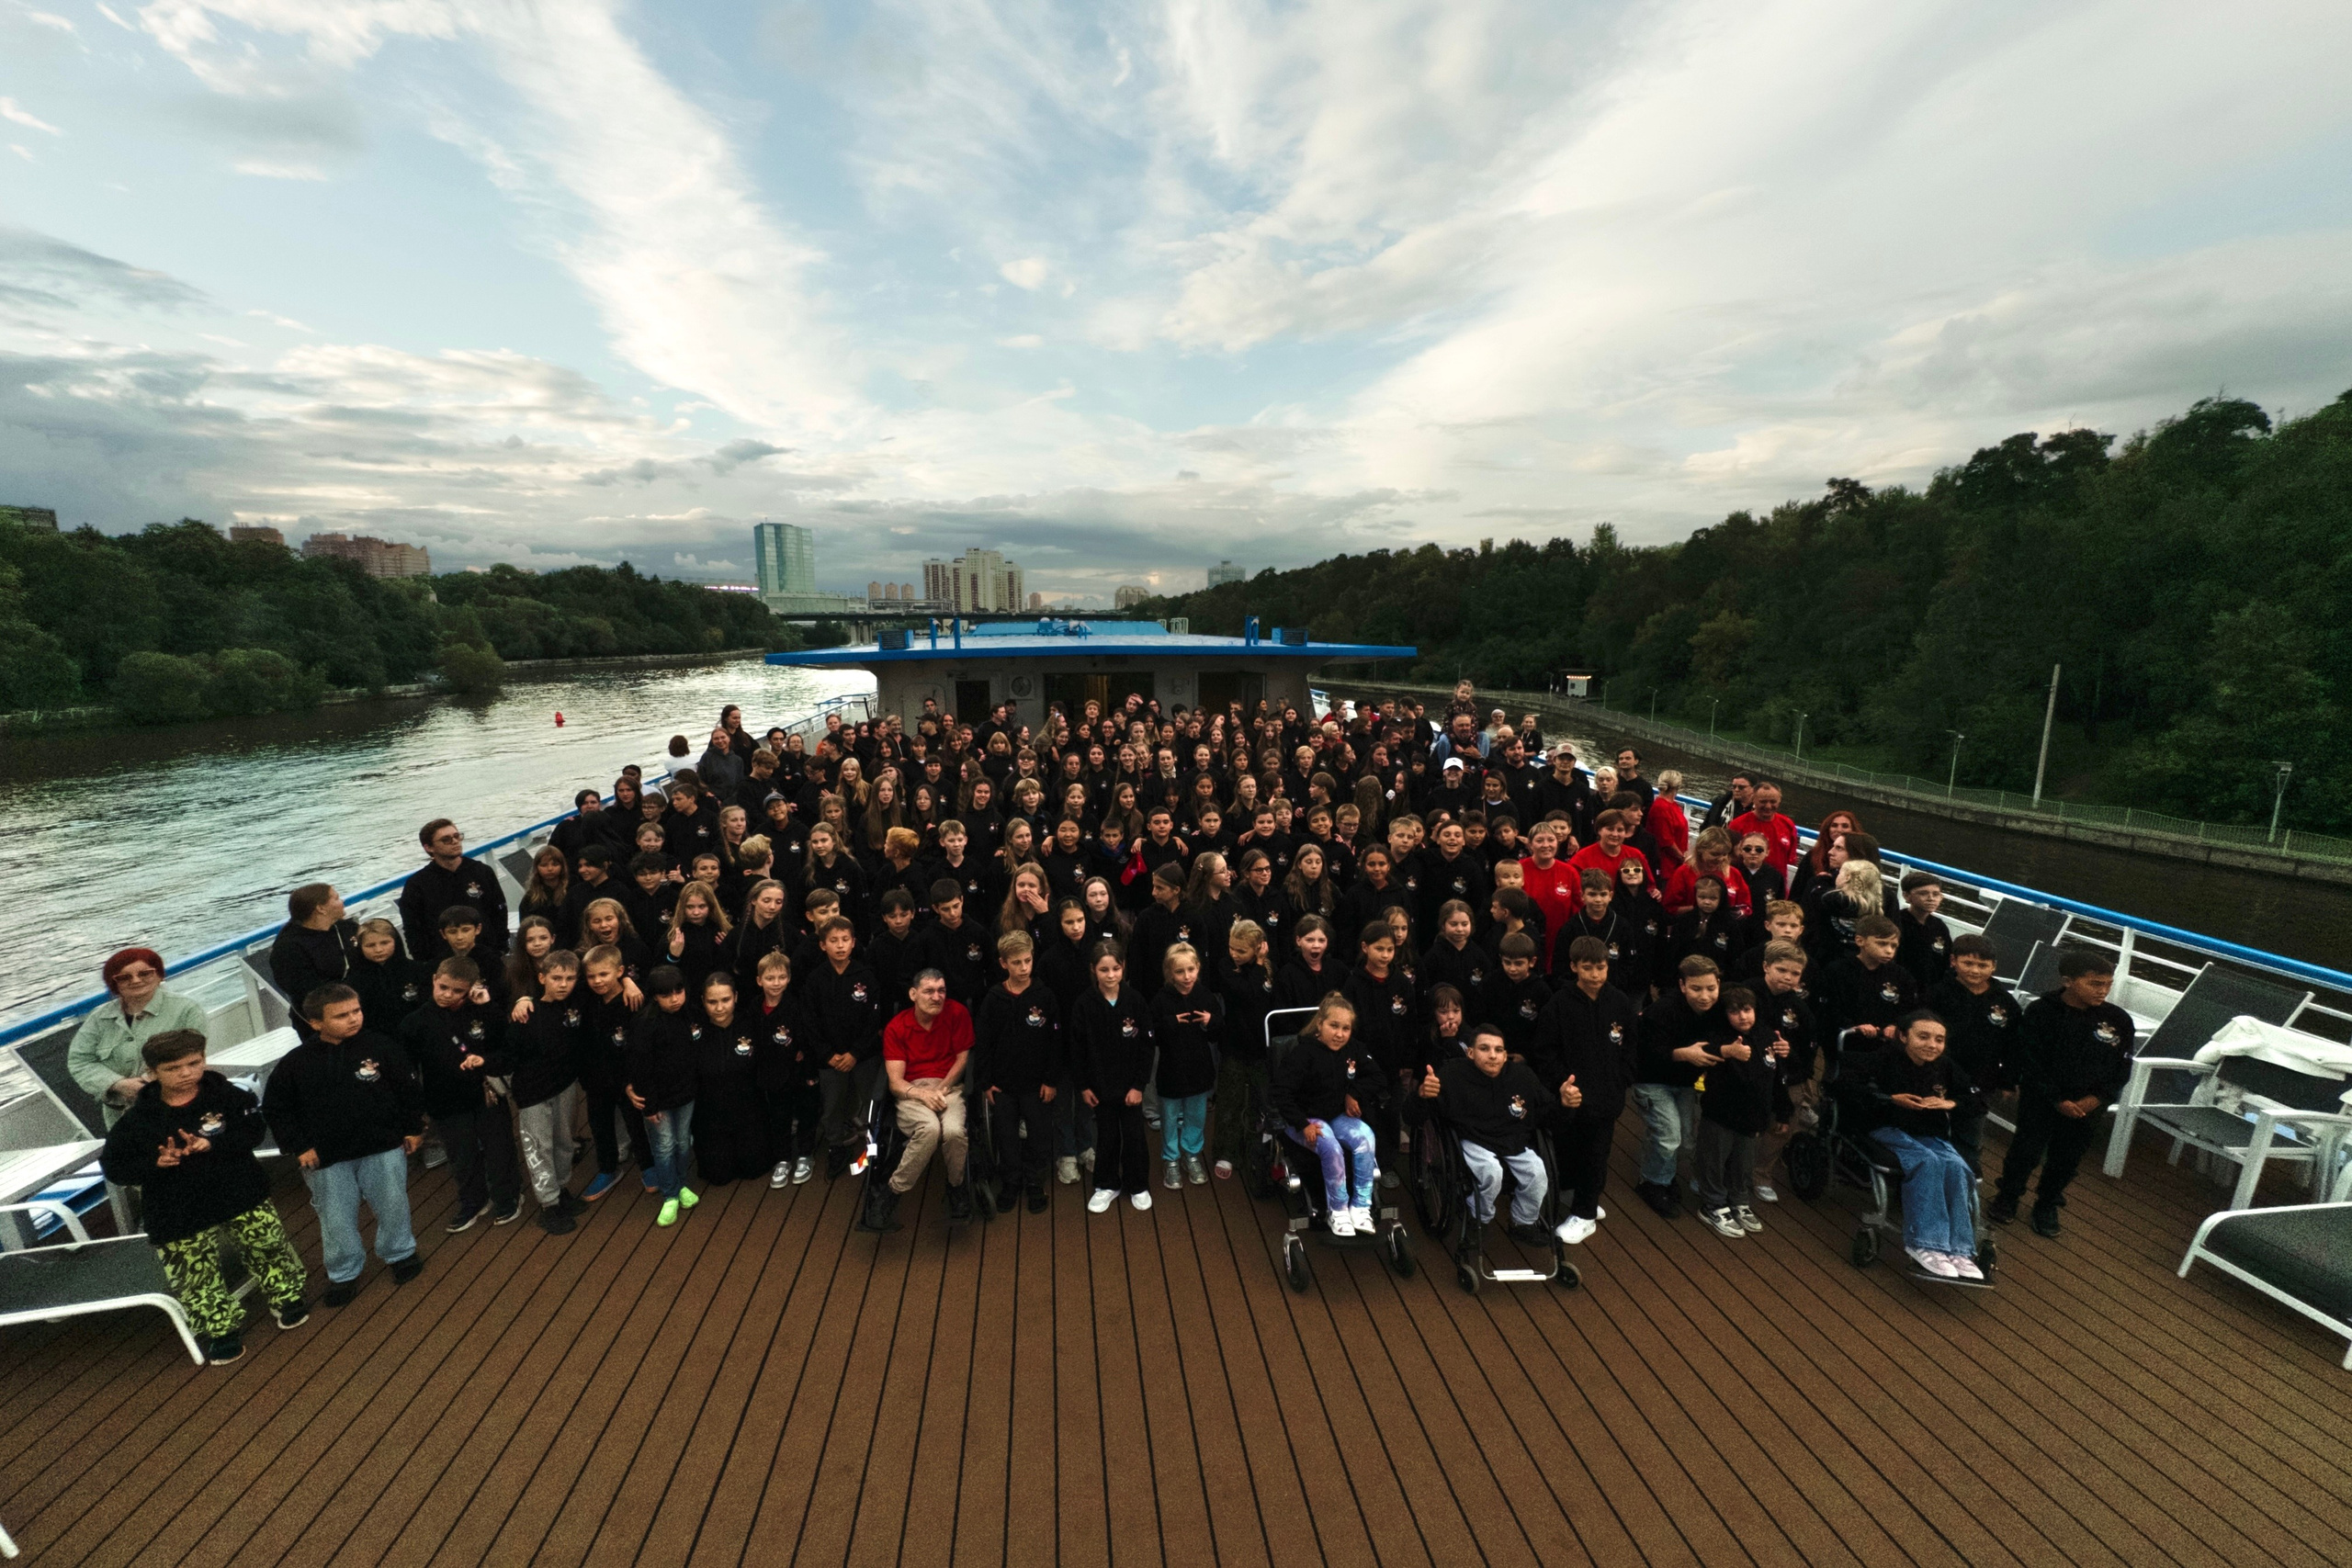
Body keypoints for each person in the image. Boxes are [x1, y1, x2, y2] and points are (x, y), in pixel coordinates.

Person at [100, 1030, 311, 1365]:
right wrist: (155, 1163)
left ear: (204, 1060)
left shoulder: (228, 1097)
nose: (186, 1073)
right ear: (152, 1073)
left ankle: (286, 1295)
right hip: (177, 1207)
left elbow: (254, 1132)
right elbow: (114, 1167)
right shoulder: (137, 1121)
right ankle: (220, 1326)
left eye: (194, 1063)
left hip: (239, 1191)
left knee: (268, 1244)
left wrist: (214, 1143)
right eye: (173, 1068)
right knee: (194, 1272)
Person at [263, 984, 425, 1306]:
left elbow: (407, 1089)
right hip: (326, 1156)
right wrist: (299, 1146)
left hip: (382, 1145)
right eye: (341, 1015)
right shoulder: (295, 1064)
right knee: (335, 1216)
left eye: (356, 1011)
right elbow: (277, 1109)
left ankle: (400, 1252)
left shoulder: (381, 1047)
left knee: (392, 1202)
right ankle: (343, 1271)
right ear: (315, 1023)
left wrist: (413, 1128)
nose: (353, 1019)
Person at [1991, 948, 2134, 1237]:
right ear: (2068, 981)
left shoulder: (2117, 1019)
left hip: (2088, 1105)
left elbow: (2121, 1067)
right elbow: (2029, 1060)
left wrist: (2097, 1098)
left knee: (2068, 1157)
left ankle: (2047, 1203)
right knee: (2026, 1150)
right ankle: (2008, 1195)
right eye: (2095, 984)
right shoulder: (2042, 1012)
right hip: (2043, 1098)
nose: (2103, 991)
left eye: (2108, 984)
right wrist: (2057, 1099)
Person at [68, 946, 209, 1231]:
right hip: (123, 1115)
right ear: (114, 983)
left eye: (145, 973)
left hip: (172, 1108)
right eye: (124, 977)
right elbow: (79, 1060)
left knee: (186, 1168)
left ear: (158, 975)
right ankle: (166, 1227)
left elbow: (192, 1055)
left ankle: (199, 1222)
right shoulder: (100, 1017)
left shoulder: (184, 1009)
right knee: (146, 1175)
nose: (136, 980)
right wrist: (117, 1084)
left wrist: (146, 1086)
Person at [1847, 1011, 1985, 1280]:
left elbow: (1978, 1100)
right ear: (1903, 1035)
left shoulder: (1945, 1066)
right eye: (1923, 1036)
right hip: (1886, 1128)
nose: (1932, 1045)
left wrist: (1951, 1103)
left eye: (1939, 1039)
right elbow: (1844, 1087)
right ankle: (1925, 1244)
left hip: (1928, 1133)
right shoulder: (1882, 1059)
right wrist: (1889, 1098)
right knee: (1928, 1162)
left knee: (1958, 1166)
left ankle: (1959, 1250)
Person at [1528, 936, 1639, 1243]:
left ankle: (1586, 1213)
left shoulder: (1619, 1002)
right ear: (1574, 967)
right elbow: (1544, 1051)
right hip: (1572, 1097)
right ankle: (1582, 1196)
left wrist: (1622, 1078)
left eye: (1601, 968)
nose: (1595, 975)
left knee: (1597, 1153)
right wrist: (1562, 1083)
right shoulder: (1559, 1005)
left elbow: (1631, 1044)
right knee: (1570, 1150)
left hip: (1607, 1096)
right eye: (1587, 968)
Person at [399, 956, 523, 1232]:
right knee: (461, 1155)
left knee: (499, 1148)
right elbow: (408, 1069)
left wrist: (488, 1008)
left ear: (471, 989)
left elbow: (506, 1047)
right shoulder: (414, 1023)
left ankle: (508, 1196)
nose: (448, 995)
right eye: (443, 987)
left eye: (457, 991)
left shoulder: (483, 1012)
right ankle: (474, 1201)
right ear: (434, 979)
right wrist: (417, 1110)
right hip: (444, 1099)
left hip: (485, 1093)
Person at [1417, 1023, 1552, 1249]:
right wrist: (1422, 1095)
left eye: (1499, 1050)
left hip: (1512, 1140)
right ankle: (1479, 1217)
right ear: (1470, 1052)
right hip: (1473, 1138)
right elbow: (1416, 1116)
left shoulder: (1522, 1076)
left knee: (1538, 1173)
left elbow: (1548, 1113)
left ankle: (1523, 1222)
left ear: (1505, 1054)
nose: (1493, 1055)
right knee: (1491, 1173)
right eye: (1484, 1049)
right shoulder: (1452, 1075)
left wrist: (1566, 1105)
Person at [1270, 995, 1386, 1235]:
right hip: (1304, 1117)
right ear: (1320, 1024)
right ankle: (1337, 1209)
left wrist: (1353, 1093)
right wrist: (1302, 1124)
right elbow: (1280, 1093)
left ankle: (1361, 1207)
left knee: (1366, 1137)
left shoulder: (1353, 1049)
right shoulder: (1303, 1054)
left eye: (1346, 1028)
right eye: (1334, 1026)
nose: (1340, 1034)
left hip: (1334, 1114)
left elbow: (1377, 1077)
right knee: (1331, 1148)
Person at [872, 968, 977, 1229]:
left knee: (953, 1131)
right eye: (929, 991)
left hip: (949, 1087)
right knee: (929, 1130)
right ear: (913, 994)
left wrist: (941, 1088)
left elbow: (963, 1059)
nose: (937, 997)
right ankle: (892, 1192)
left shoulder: (957, 1014)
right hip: (912, 1091)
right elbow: (895, 1083)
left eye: (941, 990)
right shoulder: (897, 1027)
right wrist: (923, 1094)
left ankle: (956, 1186)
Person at [974, 932, 1062, 1213]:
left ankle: (1035, 1181)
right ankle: (1011, 1181)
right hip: (1003, 1085)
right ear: (1003, 963)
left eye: (1028, 960)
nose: (1024, 967)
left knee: (1038, 1134)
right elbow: (984, 1042)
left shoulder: (1045, 996)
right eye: (1017, 962)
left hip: (1037, 1084)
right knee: (1006, 1135)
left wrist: (1050, 1079)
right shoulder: (994, 998)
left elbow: (1054, 1042)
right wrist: (986, 1082)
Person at [504, 949, 590, 1235]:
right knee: (539, 1147)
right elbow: (509, 1056)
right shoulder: (527, 1014)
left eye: (569, 978)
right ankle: (548, 1204)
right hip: (533, 1093)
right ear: (542, 978)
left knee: (565, 1142)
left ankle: (561, 1188)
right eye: (556, 978)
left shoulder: (575, 1004)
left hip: (565, 1087)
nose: (563, 984)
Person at [1633, 955, 1724, 1217]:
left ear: (1718, 984)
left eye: (1711, 988)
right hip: (1652, 1080)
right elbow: (1647, 1051)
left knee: (1683, 1141)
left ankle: (1664, 1173)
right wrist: (1684, 1054)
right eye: (1696, 989)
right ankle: (1652, 1183)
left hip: (1684, 1083)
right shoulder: (1661, 1011)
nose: (1705, 996)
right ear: (1683, 985)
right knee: (1668, 1135)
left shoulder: (1717, 1010)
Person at [1924, 933, 2022, 1172]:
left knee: (1969, 1133)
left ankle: (1963, 1180)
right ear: (1953, 961)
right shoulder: (1936, 994)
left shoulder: (2006, 1004)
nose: (1975, 971)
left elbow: (2015, 1046)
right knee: (1928, 1129)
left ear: (1994, 966)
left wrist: (2009, 1081)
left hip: (1981, 1079)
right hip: (1936, 1074)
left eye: (1983, 965)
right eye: (1968, 963)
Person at [1070, 942, 1155, 1213]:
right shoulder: (1084, 1005)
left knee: (1134, 1136)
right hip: (1100, 1087)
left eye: (1116, 968)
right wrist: (1083, 1086)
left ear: (1123, 968)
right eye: (1103, 969)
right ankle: (1107, 1184)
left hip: (1131, 1088)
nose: (1110, 975)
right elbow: (1077, 1049)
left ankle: (1138, 1184)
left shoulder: (1136, 1001)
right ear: (1093, 971)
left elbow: (1146, 1046)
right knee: (1106, 1136)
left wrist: (1139, 1085)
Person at [1693, 987, 1781, 1238]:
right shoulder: (1718, 1037)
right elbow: (1706, 1052)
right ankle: (1713, 1203)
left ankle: (1739, 1200)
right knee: (1714, 1158)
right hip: (1722, 1113)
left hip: (1754, 1115)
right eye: (1734, 1012)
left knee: (1743, 1162)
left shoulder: (1767, 1036)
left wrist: (1781, 1110)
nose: (1742, 1016)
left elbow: (1776, 1073)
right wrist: (1728, 1052)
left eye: (1747, 1010)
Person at [627, 966, 702, 1226]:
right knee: (664, 1145)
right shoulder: (645, 1023)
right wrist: (650, 1106)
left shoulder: (690, 1013)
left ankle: (682, 1184)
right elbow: (640, 1067)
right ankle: (669, 1194)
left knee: (682, 1141)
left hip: (686, 1094)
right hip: (658, 1100)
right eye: (666, 995)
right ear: (654, 996)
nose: (675, 999)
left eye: (679, 992)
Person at [1149, 943, 1224, 1189]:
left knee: (1196, 1115)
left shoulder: (1205, 996)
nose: (1186, 976)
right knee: (1169, 1117)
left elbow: (1217, 1034)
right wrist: (1171, 1023)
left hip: (1199, 1069)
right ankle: (1171, 1158)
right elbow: (1153, 1034)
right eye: (1180, 972)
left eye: (1191, 969)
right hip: (1171, 1070)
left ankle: (1191, 1153)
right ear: (1170, 974)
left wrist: (1210, 1022)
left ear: (1198, 968)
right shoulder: (1161, 1000)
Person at [399, 818, 511, 963]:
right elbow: (413, 929)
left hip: (487, 955)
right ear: (429, 847)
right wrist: (426, 962)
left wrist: (500, 948)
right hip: (444, 961)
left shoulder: (482, 871)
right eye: (446, 839)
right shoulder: (417, 884)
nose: (455, 841)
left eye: (457, 836)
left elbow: (499, 911)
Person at [268, 884, 357, 1015]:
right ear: (321, 908)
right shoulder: (288, 948)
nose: (342, 901)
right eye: (337, 898)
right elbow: (308, 993)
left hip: (361, 1002)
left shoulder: (347, 928)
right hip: (324, 1017)